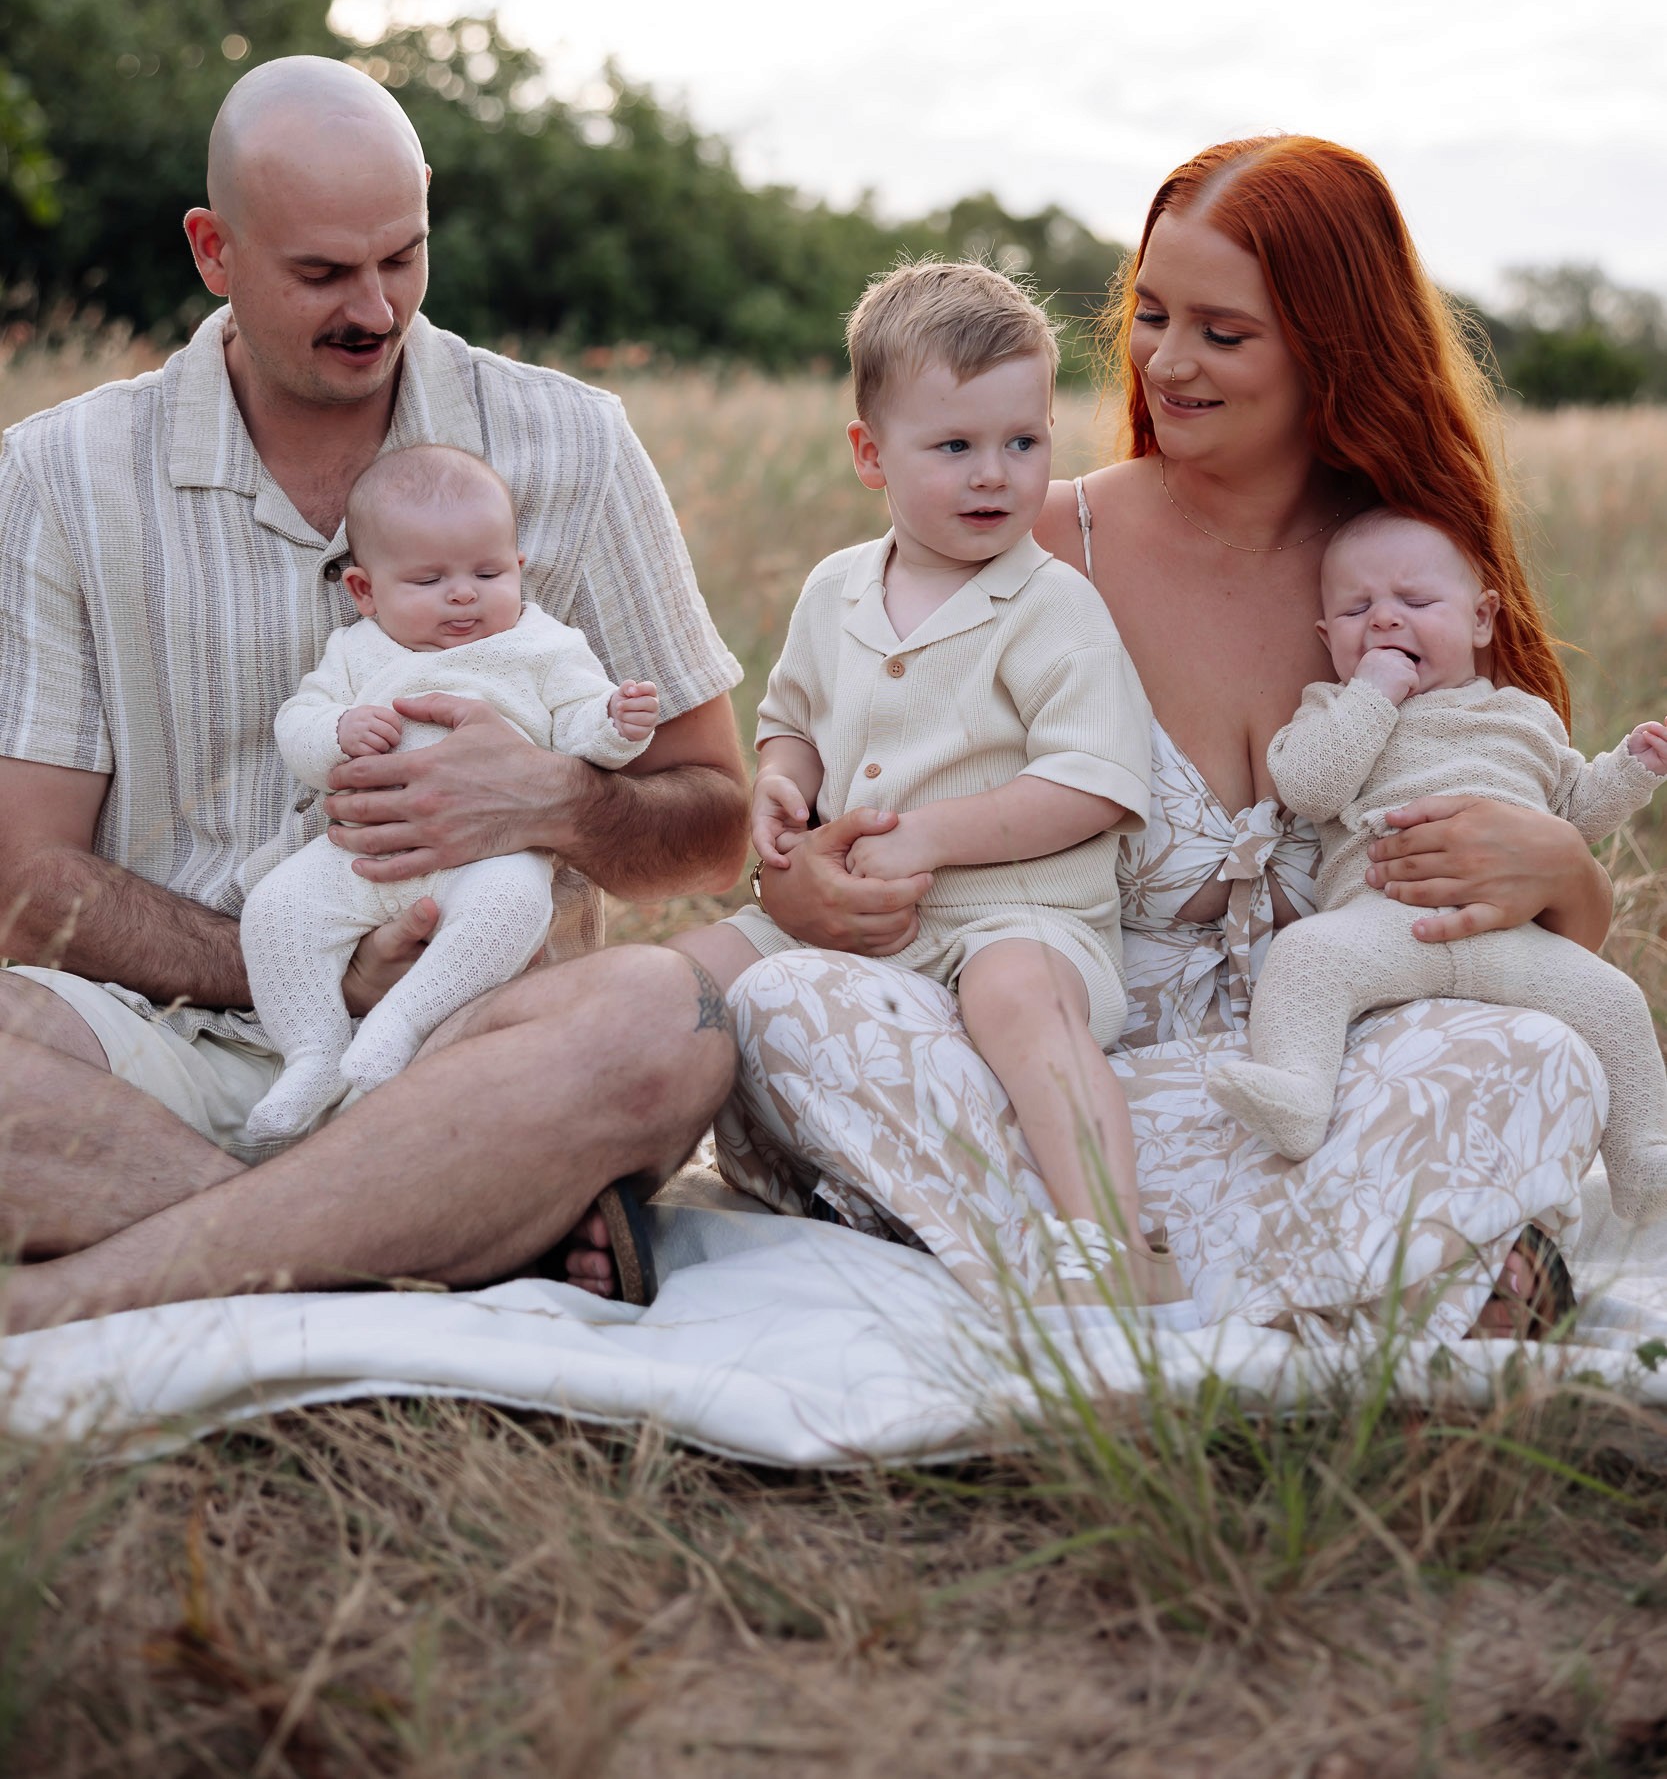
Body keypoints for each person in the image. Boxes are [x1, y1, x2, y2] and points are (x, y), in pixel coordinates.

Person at [699, 137, 1618, 1340]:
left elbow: (1532, 949)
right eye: (1148, 314)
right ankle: (1351, 1278)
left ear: (1327, 347)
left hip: (1315, 1094)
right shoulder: (1025, 543)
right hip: (1053, 1076)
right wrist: (804, 869)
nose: (1167, 362)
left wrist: (1563, 871)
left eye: (1221, 333)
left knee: (1532, 1058)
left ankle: (1183, 1274)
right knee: (793, 1016)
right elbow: (836, 770)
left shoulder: (1404, 573)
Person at [0, 56, 748, 1330]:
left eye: (401, 257)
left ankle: (103, 1275)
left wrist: (561, 802)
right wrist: (308, 976)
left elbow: (716, 823)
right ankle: (421, 1237)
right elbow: (27, 882)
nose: (375, 306)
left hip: (468, 1041)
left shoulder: (571, 442)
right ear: (213, 250)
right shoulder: (59, 473)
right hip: (149, 1041)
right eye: (322, 274)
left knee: (671, 1017)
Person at [667, 260, 1170, 1302]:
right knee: (680, 984)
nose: (994, 475)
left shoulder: (1049, 605)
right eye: (954, 447)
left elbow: (1095, 780)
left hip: (1012, 914)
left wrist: (935, 837)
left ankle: (1111, 1239)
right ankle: (600, 1188)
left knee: (1017, 998)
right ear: (870, 454)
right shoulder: (835, 587)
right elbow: (793, 723)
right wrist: (779, 784)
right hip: (845, 908)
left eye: (1021, 442)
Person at [1210, 507, 1667, 1210]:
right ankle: (1297, 1091)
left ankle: (1643, 1164)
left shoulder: (1524, 716)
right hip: (1384, 921)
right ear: (1326, 638)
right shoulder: (1334, 707)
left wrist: (1631, 768)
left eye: (1415, 602)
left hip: (1512, 937)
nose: (1386, 621)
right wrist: (1371, 696)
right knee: (1305, 957)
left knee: (1616, 1002)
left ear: (1481, 619)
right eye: (1357, 609)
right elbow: (1308, 787)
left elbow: (1573, 812)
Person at [239, 443, 662, 1143]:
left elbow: (581, 723)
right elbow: (298, 725)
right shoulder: (356, 653)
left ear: (519, 571)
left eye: (488, 572)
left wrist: (616, 723)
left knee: (513, 910)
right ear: (364, 591)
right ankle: (312, 1054)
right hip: (359, 858)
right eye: (429, 579)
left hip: (489, 859)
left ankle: (400, 1025)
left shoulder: (542, 646)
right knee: (276, 912)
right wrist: (338, 730)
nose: (464, 593)